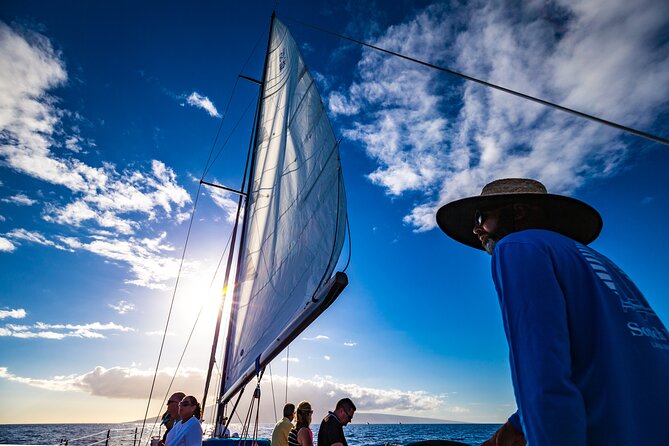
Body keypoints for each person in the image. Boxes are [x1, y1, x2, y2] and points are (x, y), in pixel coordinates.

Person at [436, 178, 669, 446]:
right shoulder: (602, 263)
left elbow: (543, 376)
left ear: (519, 211)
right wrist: (516, 426)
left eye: (481, 216)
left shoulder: (516, 246)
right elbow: (599, 359)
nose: (477, 229)